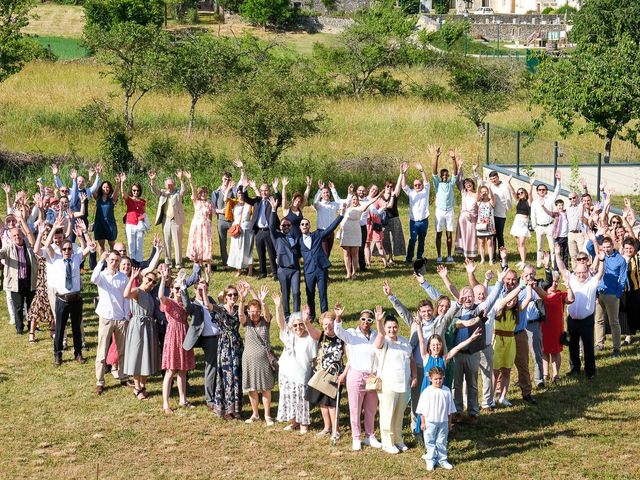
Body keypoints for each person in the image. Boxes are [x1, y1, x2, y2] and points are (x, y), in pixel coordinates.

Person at [414, 319, 482, 425]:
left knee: (440, 408)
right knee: (427, 408)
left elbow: (458, 347)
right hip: (427, 386)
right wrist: (418, 327)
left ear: (441, 346)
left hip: (441, 387)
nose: (436, 347)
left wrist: (471, 339)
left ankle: (442, 428)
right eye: (433, 345)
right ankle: (424, 429)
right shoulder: (426, 357)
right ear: (430, 347)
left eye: (438, 345)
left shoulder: (444, 358)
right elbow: (421, 340)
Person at [334, 306, 382, 451]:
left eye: (369, 320)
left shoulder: (376, 334)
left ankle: (370, 436)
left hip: (372, 376)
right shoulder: (351, 334)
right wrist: (338, 317)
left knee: (371, 408)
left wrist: (380, 321)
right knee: (355, 408)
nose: (366, 322)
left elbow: (382, 338)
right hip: (356, 374)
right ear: (359, 320)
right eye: (363, 319)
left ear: (372, 322)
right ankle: (356, 437)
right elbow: (338, 331)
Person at [45, 233, 94, 366]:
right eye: (64, 249)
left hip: (76, 299)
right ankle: (57, 354)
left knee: (76, 328)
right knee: (60, 329)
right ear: (60, 250)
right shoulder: (55, 259)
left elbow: (91, 247)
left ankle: (78, 353)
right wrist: (54, 228)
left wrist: (84, 234)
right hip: (62, 300)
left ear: (72, 249)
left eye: (69, 249)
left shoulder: (77, 258)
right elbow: (47, 245)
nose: (67, 251)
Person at [373, 306, 417, 454]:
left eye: (394, 327)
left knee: (399, 414)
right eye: (389, 327)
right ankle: (387, 442)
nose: (392, 330)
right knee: (387, 414)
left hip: (403, 384)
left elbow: (411, 360)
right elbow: (379, 336)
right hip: (388, 385)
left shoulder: (404, 341)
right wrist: (379, 322)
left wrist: (415, 376)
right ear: (385, 328)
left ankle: (398, 440)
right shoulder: (383, 340)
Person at [556, 246, 605, 379]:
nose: (581, 275)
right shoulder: (571, 278)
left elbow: (600, 272)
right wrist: (557, 254)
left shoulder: (592, 281)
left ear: (587, 271)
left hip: (586, 320)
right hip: (572, 319)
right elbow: (561, 268)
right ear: (575, 272)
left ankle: (590, 371)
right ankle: (575, 368)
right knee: (572, 345)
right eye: (578, 273)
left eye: (583, 273)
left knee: (588, 346)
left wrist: (601, 260)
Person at [274, 298, 317, 434]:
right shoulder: (288, 335)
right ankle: (294, 422)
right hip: (286, 373)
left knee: (302, 400)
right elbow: (281, 323)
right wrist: (278, 306)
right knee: (288, 398)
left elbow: (314, 358)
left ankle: (304, 423)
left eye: (300, 324)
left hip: (302, 374)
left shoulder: (310, 338)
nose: (298, 328)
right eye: (295, 325)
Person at [91, 250, 130, 394]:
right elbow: (93, 279)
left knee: (122, 351)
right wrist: (100, 261)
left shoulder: (123, 278)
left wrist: (126, 316)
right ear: (108, 260)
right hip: (106, 318)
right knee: (102, 352)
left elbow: (126, 298)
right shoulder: (102, 276)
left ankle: (123, 376)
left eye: (116, 261)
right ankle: (100, 381)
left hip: (120, 319)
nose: (114, 263)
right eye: (112, 260)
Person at [158, 267, 196, 414]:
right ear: (172, 289)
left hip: (184, 336)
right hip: (173, 336)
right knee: (170, 370)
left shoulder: (185, 304)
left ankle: (182, 399)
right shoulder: (169, 302)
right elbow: (161, 296)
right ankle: (166, 404)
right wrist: (163, 279)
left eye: (180, 288)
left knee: (182, 370)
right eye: (176, 288)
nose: (178, 291)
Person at [237, 282, 275, 426]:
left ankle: (267, 415)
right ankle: (255, 414)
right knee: (252, 389)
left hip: (264, 360)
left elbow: (266, 312)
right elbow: (240, 315)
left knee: (265, 388)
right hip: (249, 360)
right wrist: (241, 300)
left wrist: (263, 301)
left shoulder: (266, 321)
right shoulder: (246, 322)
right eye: (251, 311)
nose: (254, 314)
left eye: (256, 311)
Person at [491, 280, 534, 407]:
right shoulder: (498, 309)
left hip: (510, 342)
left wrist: (529, 286)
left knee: (507, 370)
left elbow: (529, 298)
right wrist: (520, 287)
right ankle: (491, 397)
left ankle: (503, 397)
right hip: (498, 341)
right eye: (510, 299)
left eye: (514, 299)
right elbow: (505, 301)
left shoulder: (516, 311)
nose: (512, 301)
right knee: (495, 371)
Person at [297, 208, 344, 321]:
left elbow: (330, 229)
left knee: (322, 293)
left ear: (309, 226)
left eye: (306, 224)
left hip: (321, 269)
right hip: (308, 271)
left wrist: (341, 215)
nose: (304, 225)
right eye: (302, 224)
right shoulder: (298, 241)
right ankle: (312, 316)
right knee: (310, 294)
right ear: (300, 227)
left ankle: (324, 316)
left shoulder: (317, 235)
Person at [182, 274, 219, 412]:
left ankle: (219, 394)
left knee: (219, 368)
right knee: (211, 369)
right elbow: (186, 306)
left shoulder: (210, 300)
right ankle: (210, 400)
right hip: (208, 339)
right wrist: (183, 287)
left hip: (219, 337)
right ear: (195, 288)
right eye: (200, 286)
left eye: (205, 285)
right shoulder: (193, 304)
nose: (203, 288)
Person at [123, 267, 160, 400]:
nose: (150, 283)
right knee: (137, 355)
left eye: (153, 282)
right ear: (143, 278)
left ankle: (143, 385)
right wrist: (132, 278)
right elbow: (126, 295)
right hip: (138, 326)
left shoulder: (150, 295)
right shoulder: (137, 291)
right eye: (149, 279)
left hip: (149, 327)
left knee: (146, 355)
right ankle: (137, 387)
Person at [538, 259, 575, 383]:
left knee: (555, 352)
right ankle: (545, 374)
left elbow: (571, 299)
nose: (554, 284)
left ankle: (556, 374)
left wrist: (568, 286)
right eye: (552, 281)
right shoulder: (542, 294)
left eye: (556, 281)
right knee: (544, 351)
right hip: (543, 327)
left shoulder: (560, 294)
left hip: (556, 328)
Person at [416, 366, 457, 471]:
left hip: (443, 421)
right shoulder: (427, 392)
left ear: (443, 378)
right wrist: (423, 422)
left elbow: (450, 408)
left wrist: (449, 422)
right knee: (430, 441)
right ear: (430, 379)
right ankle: (430, 459)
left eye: (440, 378)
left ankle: (442, 459)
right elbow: (422, 409)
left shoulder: (447, 391)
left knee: (442, 441)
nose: (438, 381)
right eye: (435, 379)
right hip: (430, 422)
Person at [212, 284, 244, 419]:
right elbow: (208, 306)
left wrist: (243, 298)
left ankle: (236, 409)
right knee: (227, 376)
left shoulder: (238, 309)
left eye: (235, 295)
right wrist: (203, 290)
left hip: (236, 345)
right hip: (224, 346)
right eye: (230, 295)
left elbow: (247, 313)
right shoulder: (220, 309)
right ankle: (226, 409)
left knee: (237, 375)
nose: (233, 297)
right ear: (225, 297)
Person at [0, 226, 38, 335]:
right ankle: (19, 328)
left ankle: (32, 326)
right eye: (15, 235)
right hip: (16, 283)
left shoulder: (29, 247)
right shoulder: (8, 248)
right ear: (11, 238)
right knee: (18, 307)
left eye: (19, 235)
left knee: (31, 306)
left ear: (22, 235)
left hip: (30, 281)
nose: (17, 237)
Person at [595, 236, 627, 357]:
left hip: (612, 294)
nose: (607, 249)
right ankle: (599, 343)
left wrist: (618, 293)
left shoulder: (620, 260)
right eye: (604, 247)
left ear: (613, 246)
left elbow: (623, 278)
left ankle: (616, 348)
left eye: (609, 247)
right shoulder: (600, 257)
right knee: (598, 320)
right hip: (599, 292)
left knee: (614, 322)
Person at [268, 199, 300, 318]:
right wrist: (273, 209)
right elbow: (271, 226)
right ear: (280, 227)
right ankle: (286, 315)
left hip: (295, 269)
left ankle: (296, 314)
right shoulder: (277, 237)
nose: (286, 226)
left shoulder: (295, 237)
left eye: (288, 225)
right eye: (284, 225)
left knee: (296, 293)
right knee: (285, 294)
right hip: (283, 269)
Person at [149, 170, 186, 268]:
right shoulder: (163, 192)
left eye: (171, 184)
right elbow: (154, 191)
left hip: (176, 219)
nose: (169, 186)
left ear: (174, 184)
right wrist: (152, 181)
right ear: (165, 185)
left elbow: (184, 190)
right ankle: (168, 262)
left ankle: (179, 263)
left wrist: (181, 179)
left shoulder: (178, 192)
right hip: (166, 220)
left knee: (177, 242)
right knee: (166, 241)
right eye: (168, 184)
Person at [339, 192, 380, 279]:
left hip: (355, 232)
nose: (355, 201)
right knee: (346, 253)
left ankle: (354, 273)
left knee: (354, 254)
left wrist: (377, 197)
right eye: (353, 199)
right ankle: (348, 273)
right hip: (345, 232)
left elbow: (369, 203)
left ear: (358, 201)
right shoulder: (346, 208)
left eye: (356, 199)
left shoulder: (360, 208)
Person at [247, 181, 281, 280]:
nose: (263, 192)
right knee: (260, 252)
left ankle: (275, 273)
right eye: (262, 190)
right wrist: (244, 188)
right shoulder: (257, 201)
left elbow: (280, 199)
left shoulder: (272, 200)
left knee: (272, 253)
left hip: (269, 230)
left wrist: (276, 188)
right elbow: (246, 198)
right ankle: (263, 272)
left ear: (269, 191)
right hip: (258, 231)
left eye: (266, 190)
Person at [399, 161, 430, 263]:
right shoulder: (411, 193)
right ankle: (409, 258)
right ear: (413, 186)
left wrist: (422, 171)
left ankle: (419, 256)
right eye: (415, 185)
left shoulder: (425, 191)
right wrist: (403, 173)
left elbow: (426, 182)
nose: (417, 186)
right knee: (412, 239)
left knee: (422, 240)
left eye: (419, 184)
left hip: (424, 220)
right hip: (414, 221)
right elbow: (403, 186)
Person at [432, 148, 459, 263]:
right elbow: (434, 172)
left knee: (449, 233)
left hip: (449, 211)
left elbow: (455, 172)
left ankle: (449, 256)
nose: (444, 176)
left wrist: (453, 158)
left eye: (446, 175)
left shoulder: (451, 183)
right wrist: (436, 156)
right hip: (440, 211)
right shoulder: (437, 184)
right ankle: (439, 256)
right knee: (439, 233)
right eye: (442, 175)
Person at [530, 171, 562, 268]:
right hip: (539, 227)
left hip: (549, 226)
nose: (542, 191)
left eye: (543, 189)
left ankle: (553, 264)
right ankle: (539, 264)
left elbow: (557, 191)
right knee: (539, 247)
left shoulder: (550, 199)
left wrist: (559, 180)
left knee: (552, 247)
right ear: (537, 191)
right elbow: (533, 215)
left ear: (546, 191)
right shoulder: (535, 202)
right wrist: (534, 226)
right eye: (540, 190)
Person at [186, 175, 214, 279]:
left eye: (205, 192)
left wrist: (209, 226)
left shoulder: (209, 204)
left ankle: (208, 266)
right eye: (201, 192)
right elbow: (193, 190)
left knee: (207, 244)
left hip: (206, 226)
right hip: (197, 226)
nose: (203, 194)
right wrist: (190, 179)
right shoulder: (196, 202)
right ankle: (199, 263)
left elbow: (210, 216)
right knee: (198, 244)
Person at [312, 180, 350, 257]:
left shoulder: (334, 204)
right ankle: (323, 268)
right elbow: (315, 202)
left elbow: (345, 203)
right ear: (321, 195)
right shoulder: (319, 205)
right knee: (325, 253)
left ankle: (324, 267)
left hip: (331, 231)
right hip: (322, 231)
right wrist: (320, 190)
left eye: (327, 192)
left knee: (328, 252)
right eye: (324, 193)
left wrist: (333, 189)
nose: (326, 194)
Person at [119, 173, 148, 263]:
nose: (135, 192)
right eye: (134, 190)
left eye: (137, 190)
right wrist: (122, 182)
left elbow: (144, 212)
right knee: (131, 244)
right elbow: (123, 194)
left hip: (139, 224)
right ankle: (131, 262)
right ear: (131, 191)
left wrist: (142, 217)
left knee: (139, 244)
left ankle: (139, 262)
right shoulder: (129, 199)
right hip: (130, 224)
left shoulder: (143, 201)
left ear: (140, 191)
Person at [91, 177, 119, 268]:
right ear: (101, 188)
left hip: (110, 224)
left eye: (107, 187)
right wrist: (91, 178)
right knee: (101, 244)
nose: (105, 189)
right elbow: (92, 189)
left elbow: (116, 193)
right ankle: (102, 263)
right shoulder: (97, 198)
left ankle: (113, 262)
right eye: (104, 187)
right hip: (99, 223)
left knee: (112, 245)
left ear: (110, 188)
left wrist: (118, 183)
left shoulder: (112, 199)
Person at [226, 186, 254, 277]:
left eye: (242, 193)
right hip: (236, 229)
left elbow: (253, 216)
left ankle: (250, 269)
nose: (240, 195)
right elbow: (225, 200)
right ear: (236, 194)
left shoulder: (249, 205)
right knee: (237, 249)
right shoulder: (234, 204)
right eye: (238, 193)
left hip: (246, 228)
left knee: (248, 249)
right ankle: (238, 269)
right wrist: (229, 189)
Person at [454, 163, 479, 259]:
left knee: (471, 236)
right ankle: (465, 254)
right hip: (463, 218)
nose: (468, 185)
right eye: (466, 184)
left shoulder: (477, 194)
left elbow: (480, 182)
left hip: (473, 218)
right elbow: (458, 181)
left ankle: (471, 254)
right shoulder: (463, 193)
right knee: (464, 235)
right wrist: (460, 168)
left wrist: (474, 171)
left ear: (473, 184)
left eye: (470, 183)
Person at [507, 179, 533, 270]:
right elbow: (513, 192)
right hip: (516, 222)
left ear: (525, 193)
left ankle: (523, 262)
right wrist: (509, 183)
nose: (519, 194)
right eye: (519, 193)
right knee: (519, 244)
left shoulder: (528, 201)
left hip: (524, 223)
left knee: (522, 243)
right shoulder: (518, 200)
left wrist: (531, 186)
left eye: (521, 192)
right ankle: (523, 260)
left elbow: (530, 195)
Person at [488, 171, 513, 261]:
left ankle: (501, 255)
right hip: (491, 215)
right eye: (491, 179)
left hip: (501, 215)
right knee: (492, 236)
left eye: (494, 178)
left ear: (498, 177)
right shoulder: (491, 186)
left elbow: (509, 200)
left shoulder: (504, 187)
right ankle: (493, 256)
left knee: (499, 236)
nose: (493, 180)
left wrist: (506, 209)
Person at [381, 180, 405, 264]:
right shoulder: (381, 196)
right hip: (384, 220)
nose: (389, 188)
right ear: (385, 187)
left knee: (393, 239)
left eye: (391, 186)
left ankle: (391, 258)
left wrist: (401, 174)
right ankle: (385, 256)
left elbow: (399, 185)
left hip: (394, 219)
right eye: (388, 186)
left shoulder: (394, 195)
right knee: (385, 239)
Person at [475, 183, 496, 265]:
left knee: (490, 242)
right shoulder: (479, 202)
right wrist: (479, 187)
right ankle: (482, 259)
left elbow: (493, 197)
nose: (484, 193)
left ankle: (491, 259)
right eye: (482, 191)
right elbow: (477, 196)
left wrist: (490, 188)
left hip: (490, 224)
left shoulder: (491, 201)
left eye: (485, 191)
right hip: (481, 224)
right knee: (481, 242)